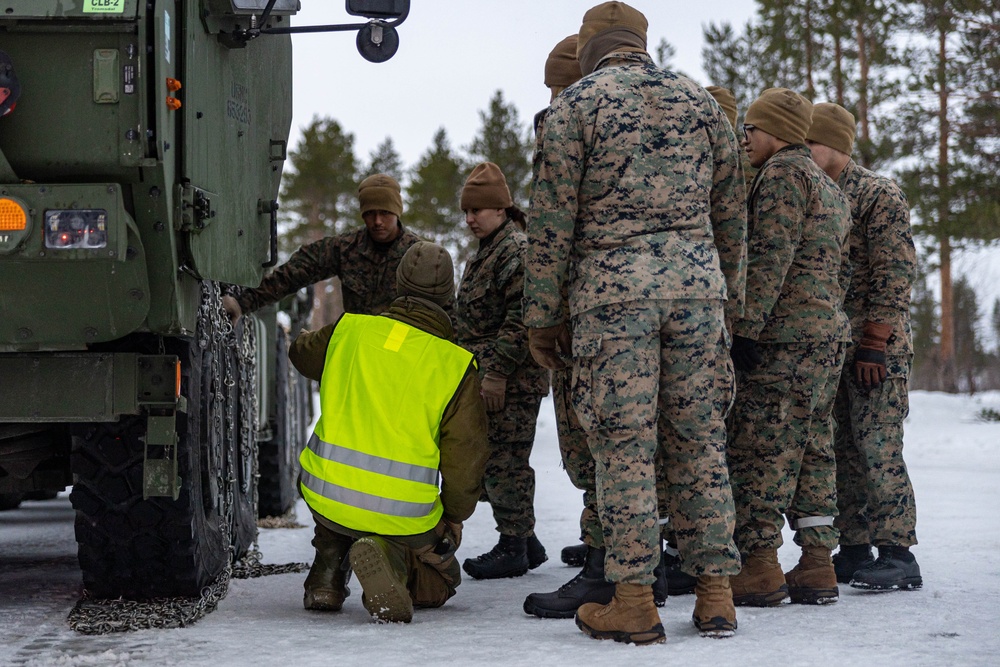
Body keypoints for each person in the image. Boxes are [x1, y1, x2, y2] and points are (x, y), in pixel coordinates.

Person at [524, 1, 747, 644]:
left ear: (592, 46)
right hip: (698, 295)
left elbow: (551, 223)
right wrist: (724, 296)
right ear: (643, 42)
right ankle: (715, 595)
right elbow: (731, 214)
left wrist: (542, 317)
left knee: (625, 446)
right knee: (699, 441)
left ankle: (633, 601)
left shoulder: (576, 106)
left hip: (612, 302)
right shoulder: (700, 102)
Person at [288, 241, 489, 623]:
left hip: (325, 493)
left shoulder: (349, 331)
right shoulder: (455, 367)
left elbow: (300, 353)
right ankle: (391, 560)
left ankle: (325, 578)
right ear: (449, 294)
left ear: (398, 283)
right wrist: (454, 516)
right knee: (442, 584)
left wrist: (305, 336)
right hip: (405, 514)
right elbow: (467, 456)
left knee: (336, 522)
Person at [727, 88, 852, 607]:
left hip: (785, 340)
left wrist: (744, 330)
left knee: (764, 446)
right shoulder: (830, 188)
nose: (744, 137)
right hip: (825, 340)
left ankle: (759, 565)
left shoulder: (782, 176)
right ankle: (818, 563)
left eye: (751, 129)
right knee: (814, 450)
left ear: (776, 131)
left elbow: (769, 260)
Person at [806, 102, 922, 591]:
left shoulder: (877, 194)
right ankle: (853, 548)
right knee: (839, 449)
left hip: (878, 345)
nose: (803, 152)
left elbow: (895, 273)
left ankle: (897, 552)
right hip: (834, 342)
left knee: (877, 446)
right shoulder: (813, 191)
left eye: (810, 143)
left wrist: (875, 341)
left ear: (835, 145)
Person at [454, 162, 550, 580]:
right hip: (493, 375)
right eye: (466, 212)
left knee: (504, 461)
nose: (471, 218)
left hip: (510, 379)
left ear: (501, 209)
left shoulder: (515, 250)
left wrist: (496, 373)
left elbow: (522, 319)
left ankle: (513, 545)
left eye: (478, 210)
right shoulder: (492, 250)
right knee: (497, 457)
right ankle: (526, 543)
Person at [222, 173, 434, 323]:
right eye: (370, 213)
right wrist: (242, 304)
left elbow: (445, 312)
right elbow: (294, 273)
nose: (377, 221)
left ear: (397, 213)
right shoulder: (347, 248)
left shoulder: (420, 255)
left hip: (404, 361)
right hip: (359, 355)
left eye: (385, 213)